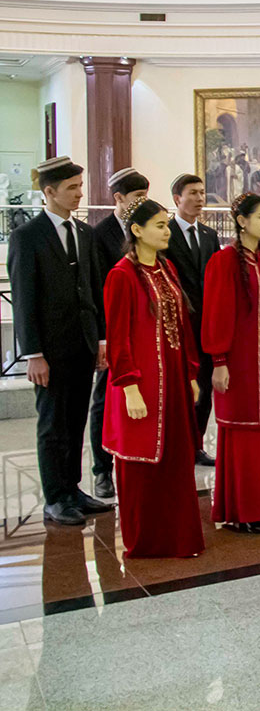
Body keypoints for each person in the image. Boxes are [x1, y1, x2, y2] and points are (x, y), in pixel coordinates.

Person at [7, 157, 113, 526]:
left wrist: (100, 339)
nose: (79, 194)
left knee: (75, 421)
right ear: (49, 192)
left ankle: (73, 489)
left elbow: (94, 290)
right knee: (53, 425)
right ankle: (56, 497)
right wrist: (33, 353)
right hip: (49, 351)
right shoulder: (28, 236)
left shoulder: (84, 233)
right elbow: (23, 299)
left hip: (83, 345)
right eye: (71, 188)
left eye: (80, 186)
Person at [102, 197, 205, 557]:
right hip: (141, 384)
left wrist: (191, 372)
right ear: (137, 231)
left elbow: (183, 327)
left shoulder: (167, 269)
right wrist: (129, 386)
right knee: (142, 464)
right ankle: (146, 541)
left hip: (173, 380)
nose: (166, 231)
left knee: (175, 460)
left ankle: (178, 537)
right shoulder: (121, 275)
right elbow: (118, 338)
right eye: (159, 225)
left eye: (166, 225)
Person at [203, 192, 260, 534]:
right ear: (241, 221)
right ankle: (244, 510)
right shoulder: (224, 260)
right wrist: (219, 360)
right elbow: (216, 312)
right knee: (245, 432)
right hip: (240, 360)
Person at [88, 167, 149, 499]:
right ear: (119, 198)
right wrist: (103, 338)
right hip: (114, 331)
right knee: (104, 399)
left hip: (143, 332)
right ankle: (102, 470)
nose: (141, 202)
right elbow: (99, 287)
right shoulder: (101, 235)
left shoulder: (147, 229)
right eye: (137, 197)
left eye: (145, 196)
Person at [164, 173, 220, 466]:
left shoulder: (209, 235)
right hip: (179, 326)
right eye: (193, 193)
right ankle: (177, 445)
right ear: (177, 199)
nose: (200, 199)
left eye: (202, 193)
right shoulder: (164, 233)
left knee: (205, 388)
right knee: (182, 388)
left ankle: (196, 445)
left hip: (206, 326)